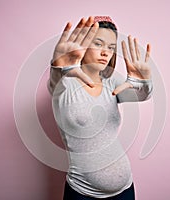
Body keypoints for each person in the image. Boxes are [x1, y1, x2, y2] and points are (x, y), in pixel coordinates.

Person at [47, 16, 153, 200]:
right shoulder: (64, 85)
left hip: (125, 190)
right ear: (83, 44)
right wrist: (58, 66)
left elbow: (142, 94)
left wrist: (145, 82)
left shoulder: (112, 81)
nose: (105, 52)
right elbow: (55, 81)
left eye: (111, 48)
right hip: (82, 193)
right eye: (98, 44)